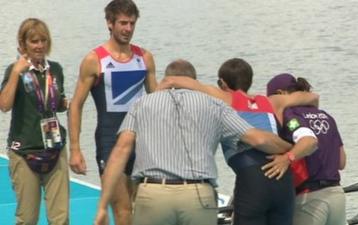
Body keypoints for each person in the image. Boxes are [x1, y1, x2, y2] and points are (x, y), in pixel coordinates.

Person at [94, 59, 294, 225]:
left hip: (153, 195)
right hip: (198, 196)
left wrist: (103, 206)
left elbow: (120, 151)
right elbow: (258, 138)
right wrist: (289, 149)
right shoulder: (214, 105)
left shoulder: (142, 104)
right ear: (194, 80)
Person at [157, 58, 319, 225]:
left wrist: (152, 102)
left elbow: (171, 80)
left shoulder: (223, 98)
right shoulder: (272, 102)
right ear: (250, 80)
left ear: (222, 83)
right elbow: (313, 97)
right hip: (283, 178)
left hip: (252, 179)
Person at [68, 0, 157, 224]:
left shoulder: (144, 58)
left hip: (142, 142)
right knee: (122, 210)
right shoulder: (94, 60)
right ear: (109, 23)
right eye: (123, 23)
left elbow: (158, 103)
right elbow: (76, 105)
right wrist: (75, 149)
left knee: (143, 210)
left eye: (132, 23)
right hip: (110, 143)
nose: (128, 29)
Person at [0, 18, 69, 224]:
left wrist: (64, 104)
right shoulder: (14, 70)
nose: (39, 46)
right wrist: (15, 73)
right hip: (24, 151)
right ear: (23, 44)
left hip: (55, 148)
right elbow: (4, 105)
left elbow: (55, 104)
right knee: (27, 219)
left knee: (61, 218)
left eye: (43, 40)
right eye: (34, 41)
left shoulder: (55, 69)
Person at [264, 73, 346, 225]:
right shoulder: (326, 116)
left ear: (281, 94)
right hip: (337, 196)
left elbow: (307, 141)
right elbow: (341, 162)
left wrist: (286, 158)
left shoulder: (290, 116)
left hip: (309, 199)